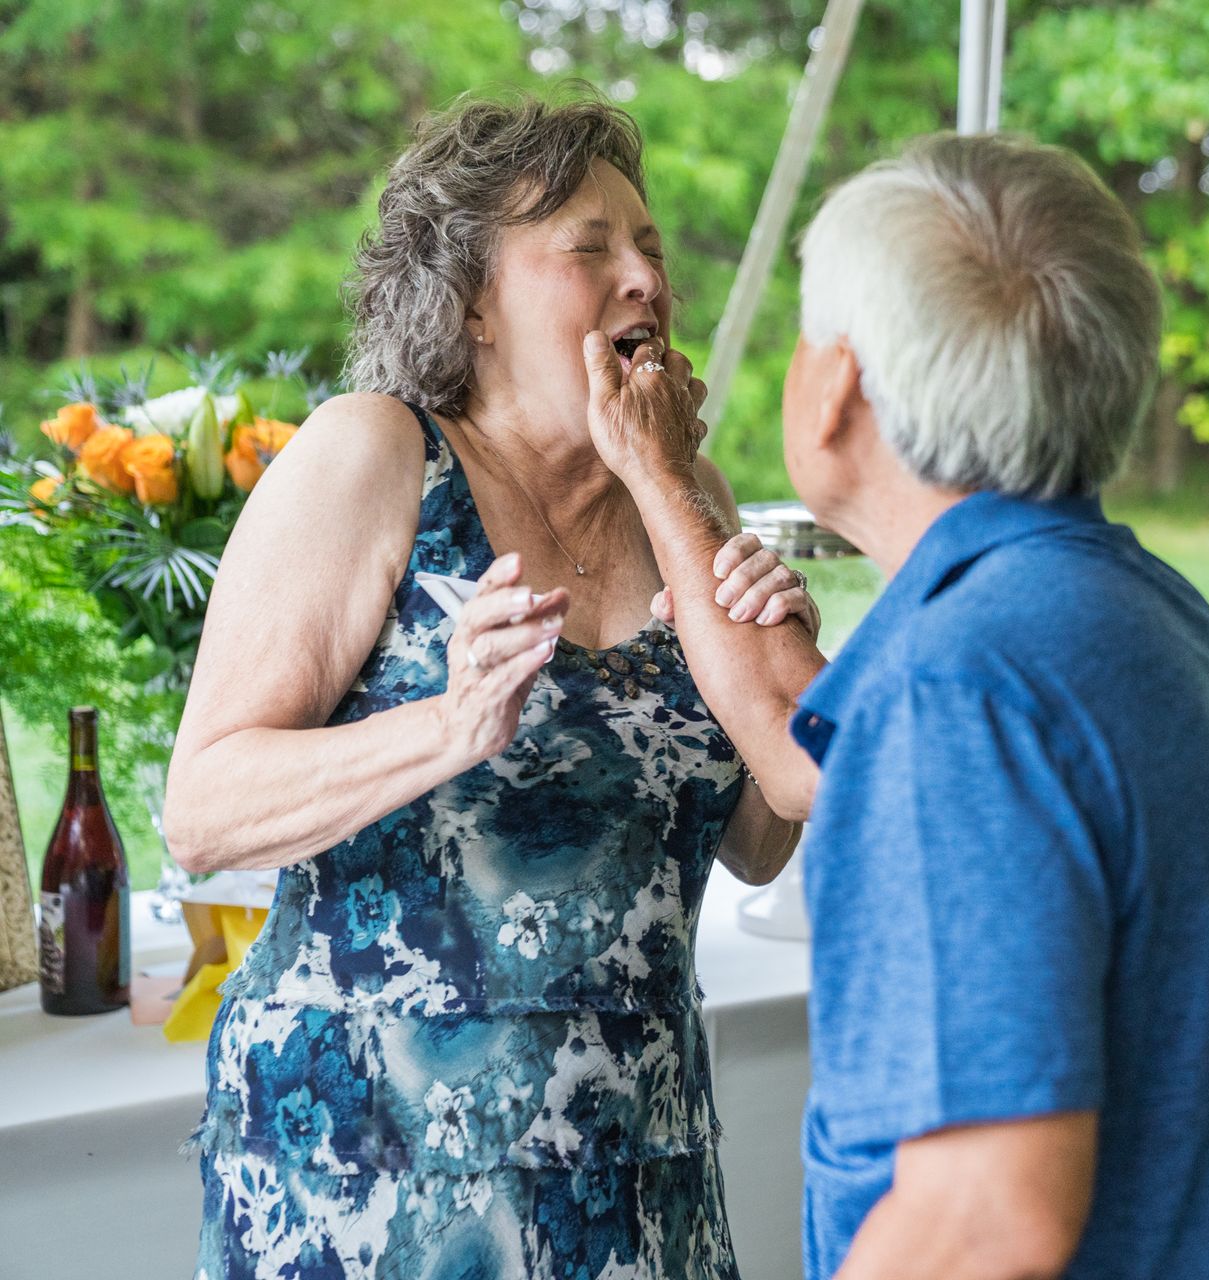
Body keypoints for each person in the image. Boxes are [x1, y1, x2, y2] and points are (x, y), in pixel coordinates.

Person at [596, 132, 1209, 1280]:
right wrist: (673, 489)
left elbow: (989, 1218)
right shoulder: (1121, 603)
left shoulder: (958, 689)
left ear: (835, 382)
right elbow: (808, 745)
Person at [166, 92, 827, 1280]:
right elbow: (205, 805)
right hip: (365, 1166)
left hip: (635, 1159)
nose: (644, 278)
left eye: (653, 249)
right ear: (471, 299)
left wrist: (780, 653)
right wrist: (447, 725)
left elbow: (756, 842)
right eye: (590, 247)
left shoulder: (687, 492)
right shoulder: (376, 452)